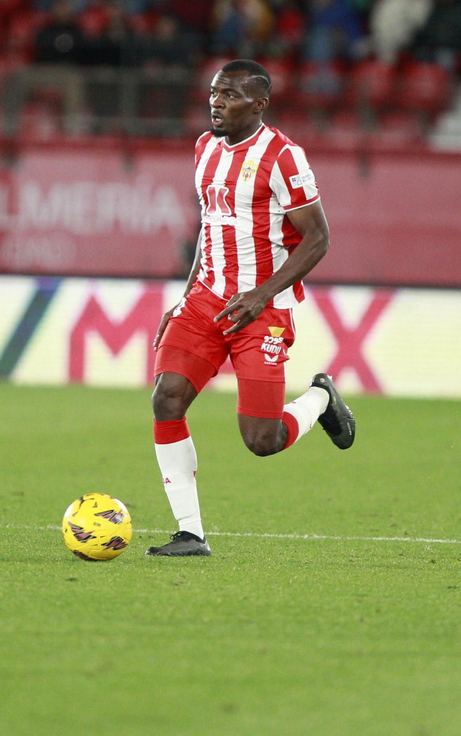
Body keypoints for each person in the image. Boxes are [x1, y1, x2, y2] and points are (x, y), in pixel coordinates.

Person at [145, 60, 355, 558]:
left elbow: (318, 237)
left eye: (231, 95)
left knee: (262, 439)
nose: (217, 102)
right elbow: (211, 227)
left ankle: (321, 400)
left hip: (261, 309)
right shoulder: (203, 148)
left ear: (259, 104)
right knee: (166, 398)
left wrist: (261, 293)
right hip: (206, 302)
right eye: (215, 92)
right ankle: (190, 533)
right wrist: (185, 295)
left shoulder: (283, 156)